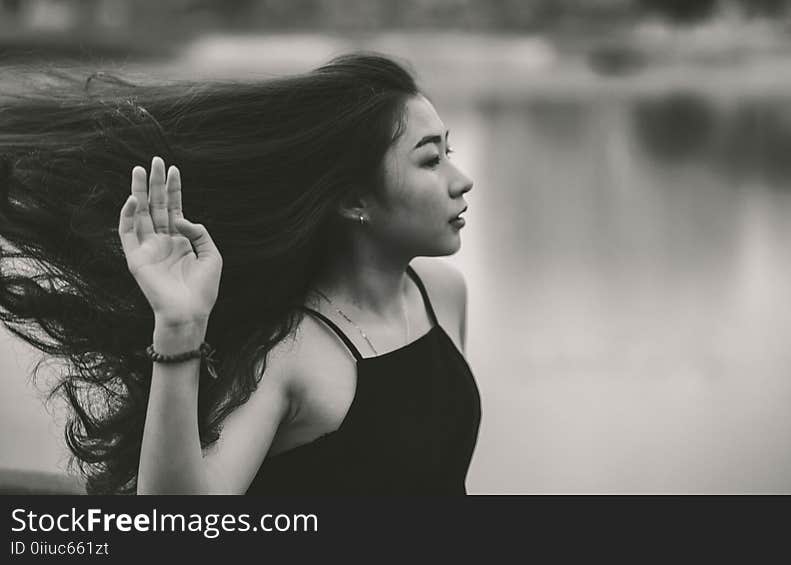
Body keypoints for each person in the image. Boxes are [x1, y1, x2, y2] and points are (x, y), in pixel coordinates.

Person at [0, 53, 480, 494]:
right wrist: (178, 326)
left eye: (449, 152)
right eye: (430, 159)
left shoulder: (442, 295)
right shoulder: (291, 353)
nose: (461, 180)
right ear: (355, 200)